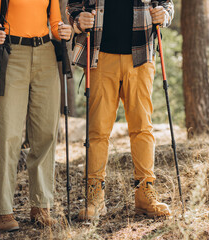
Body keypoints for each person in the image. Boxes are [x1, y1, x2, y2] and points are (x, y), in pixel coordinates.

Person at [66, 0, 174, 220]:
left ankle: (145, 194)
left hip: (141, 56)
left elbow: (166, 4)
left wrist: (165, 14)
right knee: (97, 131)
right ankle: (94, 197)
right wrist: (78, 21)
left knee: (142, 128)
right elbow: (74, 5)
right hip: (100, 55)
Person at [0, 0, 72, 231]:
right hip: (13, 55)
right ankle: (3, 210)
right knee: (8, 134)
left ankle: (41, 207)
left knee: (45, 134)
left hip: (46, 54)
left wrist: (63, 30)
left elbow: (54, 23)